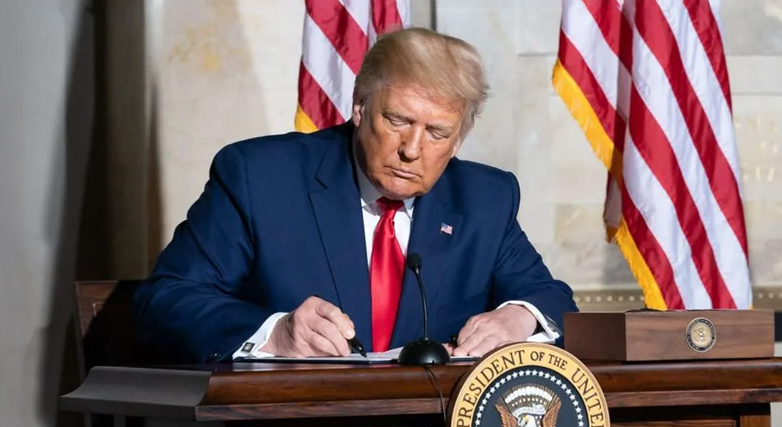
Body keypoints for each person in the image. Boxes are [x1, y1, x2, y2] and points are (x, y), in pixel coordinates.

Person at [133, 27, 577, 364]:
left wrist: (517, 318)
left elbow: (551, 300)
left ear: (459, 139)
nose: (412, 149)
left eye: (437, 133)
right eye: (398, 121)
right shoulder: (260, 178)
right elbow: (164, 301)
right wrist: (275, 333)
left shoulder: (484, 199)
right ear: (360, 107)